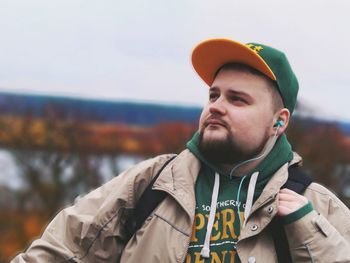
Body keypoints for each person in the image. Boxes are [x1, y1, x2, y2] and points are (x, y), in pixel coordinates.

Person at [12, 38, 350, 263]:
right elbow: (60, 251)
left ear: (279, 122)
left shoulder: (316, 206)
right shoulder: (152, 183)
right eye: (213, 95)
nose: (217, 106)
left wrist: (309, 231)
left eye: (237, 99)